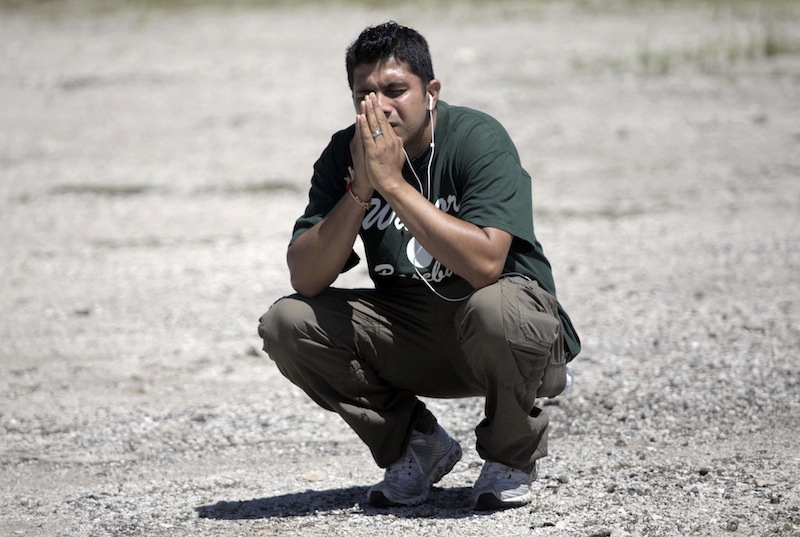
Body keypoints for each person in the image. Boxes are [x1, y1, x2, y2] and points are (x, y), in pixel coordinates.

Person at [258, 21, 580, 511]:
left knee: (497, 311)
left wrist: (393, 185)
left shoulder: (476, 137)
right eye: (364, 94)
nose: (380, 106)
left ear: (431, 91)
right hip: (411, 326)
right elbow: (306, 277)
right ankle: (415, 445)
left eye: (395, 90)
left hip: (496, 317)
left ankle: (510, 456)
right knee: (287, 323)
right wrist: (361, 189)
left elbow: (487, 264)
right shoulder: (344, 153)